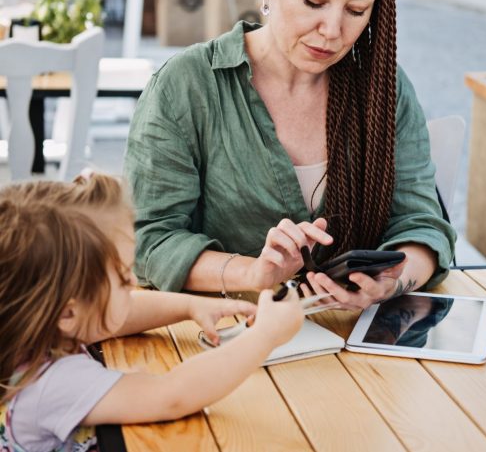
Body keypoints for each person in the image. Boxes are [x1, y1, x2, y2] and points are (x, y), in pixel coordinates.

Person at [124, 0, 457, 310]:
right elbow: (149, 240)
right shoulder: (186, 87)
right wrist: (253, 273)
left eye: (357, 10)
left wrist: (393, 280)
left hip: (355, 345)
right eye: (313, 1)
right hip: (227, 341)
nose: (333, 29)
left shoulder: (383, 90)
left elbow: (423, 224)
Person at [0, 174, 303, 451]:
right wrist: (265, 336)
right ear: (67, 314)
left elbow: (124, 312)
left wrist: (190, 306)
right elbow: (172, 396)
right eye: (121, 277)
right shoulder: (53, 384)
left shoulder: (49, 329)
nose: (133, 282)